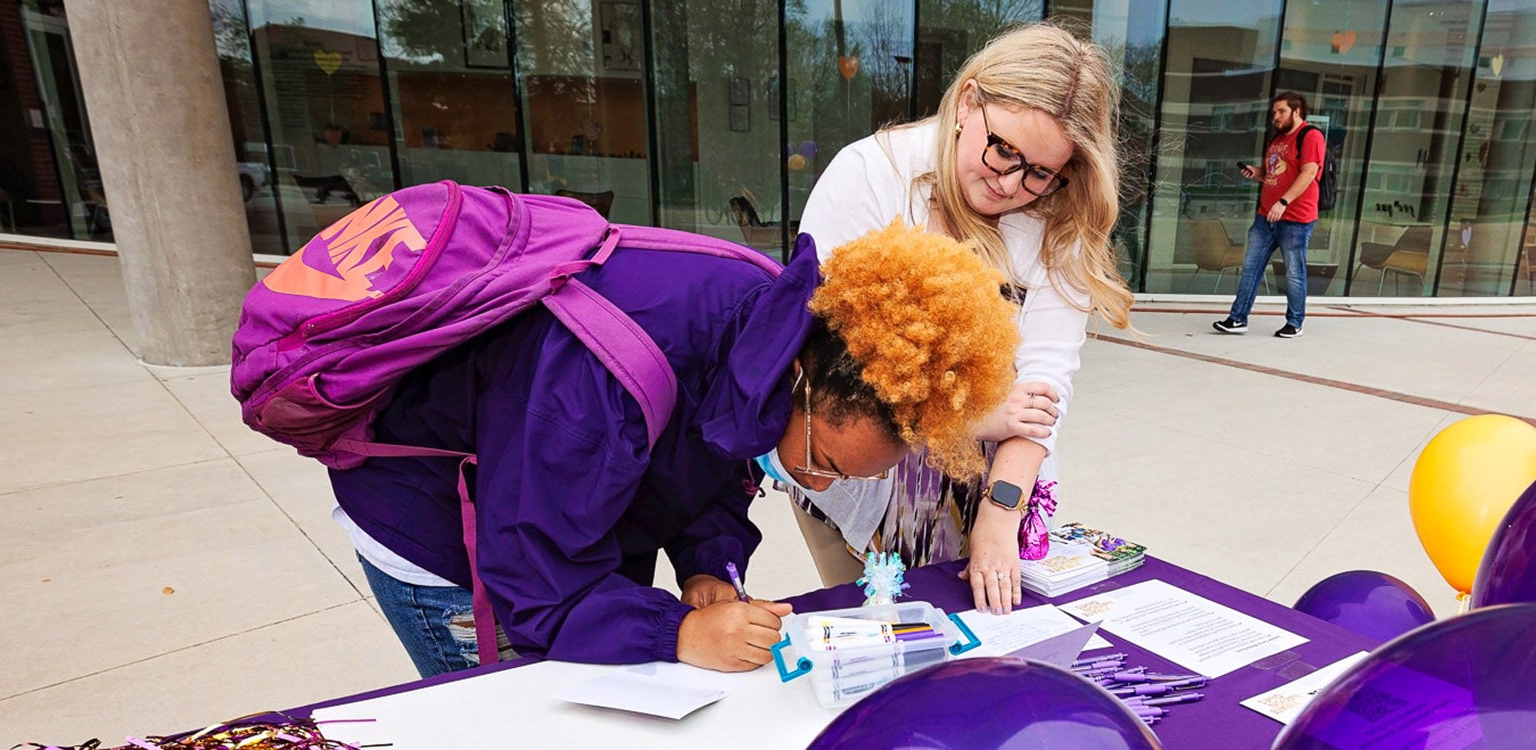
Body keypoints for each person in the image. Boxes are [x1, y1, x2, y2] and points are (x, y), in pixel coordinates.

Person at [327, 222, 1019, 677]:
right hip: (442, 529)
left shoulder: (776, 332)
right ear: (804, 385)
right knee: (514, 711)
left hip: (559, 506)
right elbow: (536, 591)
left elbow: (711, 450)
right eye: (828, 465)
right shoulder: (594, 382)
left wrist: (705, 563)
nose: (822, 487)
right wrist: (677, 637)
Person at [789, 22, 1133, 617]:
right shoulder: (871, 176)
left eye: (1040, 173)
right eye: (1003, 150)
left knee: (984, 641)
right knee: (882, 639)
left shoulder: (1060, 216)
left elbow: (1045, 384)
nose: (1009, 184)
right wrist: (972, 415)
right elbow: (829, 361)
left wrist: (1002, 511)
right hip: (860, 463)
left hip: (994, 470)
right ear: (968, 101)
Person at [1213, 91, 1327, 339]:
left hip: (1295, 218)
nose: (1275, 116)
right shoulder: (1277, 140)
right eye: (1274, 112)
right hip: (1266, 217)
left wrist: (1283, 201)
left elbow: (1308, 173)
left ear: (1297, 112)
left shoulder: (1311, 135)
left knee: (1294, 272)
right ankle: (1237, 319)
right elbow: (1274, 174)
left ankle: (1295, 322)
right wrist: (1256, 173)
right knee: (1251, 268)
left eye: (1281, 111)